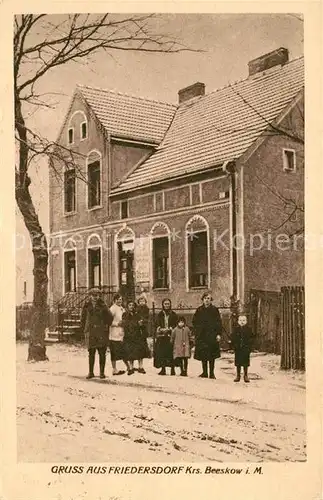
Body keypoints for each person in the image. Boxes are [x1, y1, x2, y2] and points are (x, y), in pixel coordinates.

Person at [80, 288, 112, 379]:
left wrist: (105, 326)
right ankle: (91, 372)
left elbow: (109, 318)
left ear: (99, 296)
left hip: (101, 332)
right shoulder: (86, 305)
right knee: (91, 353)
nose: (94, 297)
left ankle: (102, 372)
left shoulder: (103, 305)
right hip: (90, 332)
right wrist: (83, 329)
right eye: (93, 295)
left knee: (102, 353)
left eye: (96, 295)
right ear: (90, 296)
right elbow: (83, 318)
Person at [192, 292, 222, 379]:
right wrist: (197, 331)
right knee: (203, 354)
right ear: (203, 300)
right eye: (205, 298)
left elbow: (219, 323)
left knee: (211, 355)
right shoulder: (199, 310)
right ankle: (204, 372)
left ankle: (211, 373)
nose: (207, 300)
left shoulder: (214, 310)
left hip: (212, 335)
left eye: (208, 298)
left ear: (211, 300)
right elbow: (194, 321)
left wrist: (218, 334)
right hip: (202, 336)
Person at [123, 300, 150, 374]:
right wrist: (136, 324)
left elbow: (142, 323)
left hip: (137, 335)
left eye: (132, 305)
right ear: (127, 306)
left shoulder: (137, 314)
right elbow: (126, 324)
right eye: (130, 305)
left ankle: (140, 367)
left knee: (139, 351)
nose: (131, 306)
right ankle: (131, 368)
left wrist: (141, 324)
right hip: (129, 335)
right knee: (130, 352)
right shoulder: (125, 314)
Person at [154, 298, 178, 375]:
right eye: (165, 304)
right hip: (162, 335)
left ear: (170, 304)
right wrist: (160, 329)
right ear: (163, 305)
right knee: (162, 352)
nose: (167, 305)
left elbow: (176, 324)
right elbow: (157, 323)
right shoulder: (160, 314)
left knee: (171, 352)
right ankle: (163, 369)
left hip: (170, 335)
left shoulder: (173, 314)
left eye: (168, 304)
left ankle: (172, 369)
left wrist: (171, 328)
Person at [109, 293, 130, 376]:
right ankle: (114, 369)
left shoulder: (122, 309)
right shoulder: (112, 309)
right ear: (114, 300)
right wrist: (117, 324)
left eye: (121, 299)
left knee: (124, 350)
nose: (119, 301)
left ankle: (128, 367)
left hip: (121, 333)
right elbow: (108, 321)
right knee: (114, 352)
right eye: (118, 299)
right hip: (114, 333)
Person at [231, 314, 253, 383]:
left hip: (245, 348)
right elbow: (233, 338)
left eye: (243, 320)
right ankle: (238, 375)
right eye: (240, 320)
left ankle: (245, 375)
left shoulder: (249, 329)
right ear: (238, 321)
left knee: (245, 362)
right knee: (238, 362)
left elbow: (251, 339)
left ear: (246, 321)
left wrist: (249, 347)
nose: (242, 322)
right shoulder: (236, 329)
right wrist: (234, 346)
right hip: (238, 349)